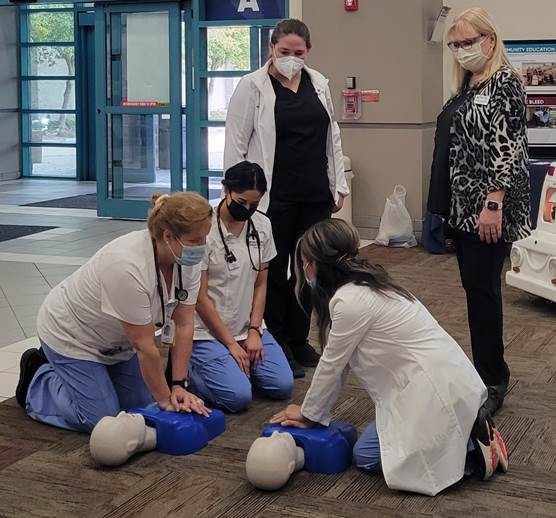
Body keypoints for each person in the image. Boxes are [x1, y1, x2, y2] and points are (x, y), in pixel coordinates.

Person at [271, 219, 509, 496]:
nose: (303, 268)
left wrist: (307, 414)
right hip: (441, 382)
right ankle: (466, 429)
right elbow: (339, 366)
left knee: (367, 457)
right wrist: (315, 415)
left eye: (305, 261)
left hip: (432, 391)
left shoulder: (349, 301)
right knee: (373, 448)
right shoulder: (372, 283)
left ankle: (472, 448)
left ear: (316, 263)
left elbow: (331, 366)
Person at [15, 192, 213, 432]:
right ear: (168, 236)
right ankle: (37, 380)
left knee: (138, 408)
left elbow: (183, 324)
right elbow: (145, 347)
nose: (202, 246)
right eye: (195, 240)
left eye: (205, 237)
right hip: (72, 336)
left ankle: (93, 379)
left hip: (118, 342)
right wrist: (165, 400)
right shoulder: (126, 264)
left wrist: (178, 385)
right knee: (103, 421)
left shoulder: (185, 259)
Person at [224, 18, 350, 378]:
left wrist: (338, 184)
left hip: (315, 194)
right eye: (284, 52)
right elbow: (235, 142)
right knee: (274, 269)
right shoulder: (252, 87)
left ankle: (299, 338)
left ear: (307, 52)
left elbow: (332, 137)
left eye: (298, 53)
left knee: (311, 268)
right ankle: (276, 338)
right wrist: (236, 193)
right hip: (273, 197)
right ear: (271, 49)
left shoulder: (319, 82)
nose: (291, 59)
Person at [427, 8, 530, 416]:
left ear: (489, 40)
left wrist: (493, 203)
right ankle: (484, 367)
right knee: (475, 290)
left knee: (484, 292)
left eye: (468, 42)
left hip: (488, 207)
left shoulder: (505, 82)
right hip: (462, 208)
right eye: (455, 45)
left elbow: (507, 148)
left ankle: (493, 379)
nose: (462, 50)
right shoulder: (468, 85)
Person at [172, 161, 294, 412]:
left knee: (282, 386)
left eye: (254, 204)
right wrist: (229, 344)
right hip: (205, 331)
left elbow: (261, 284)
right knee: (238, 399)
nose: (247, 209)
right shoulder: (203, 229)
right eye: (241, 202)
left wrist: (254, 330)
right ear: (225, 189)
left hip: (244, 326)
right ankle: (187, 366)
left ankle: (231, 369)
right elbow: (200, 297)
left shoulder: (262, 225)